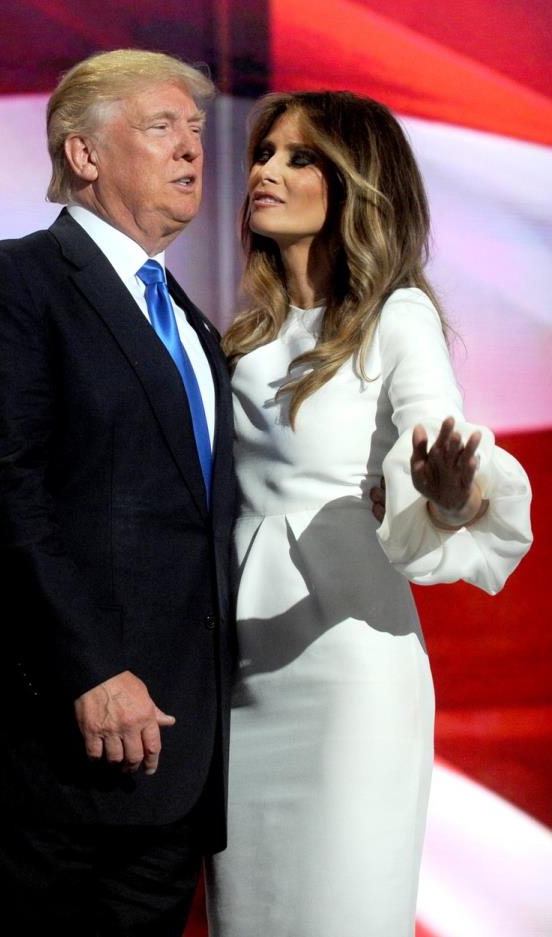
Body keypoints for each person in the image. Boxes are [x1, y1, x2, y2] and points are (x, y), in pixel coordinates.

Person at [0, 49, 236, 937]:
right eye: (162, 126)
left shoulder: (193, 327)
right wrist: (89, 669)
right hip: (24, 758)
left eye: (195, 129)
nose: (191, 148)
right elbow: (0, 498)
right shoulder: (8, 283)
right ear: (84, 153)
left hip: (164, 776)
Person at [205, 91, 533, 937]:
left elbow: (446, 447)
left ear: (354, 183)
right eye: (264, 153)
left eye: (299, 157)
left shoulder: (398, 316)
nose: (266, 171)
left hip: (349, 678)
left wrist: (452, 489)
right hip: (241, 679)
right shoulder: (240, 341)